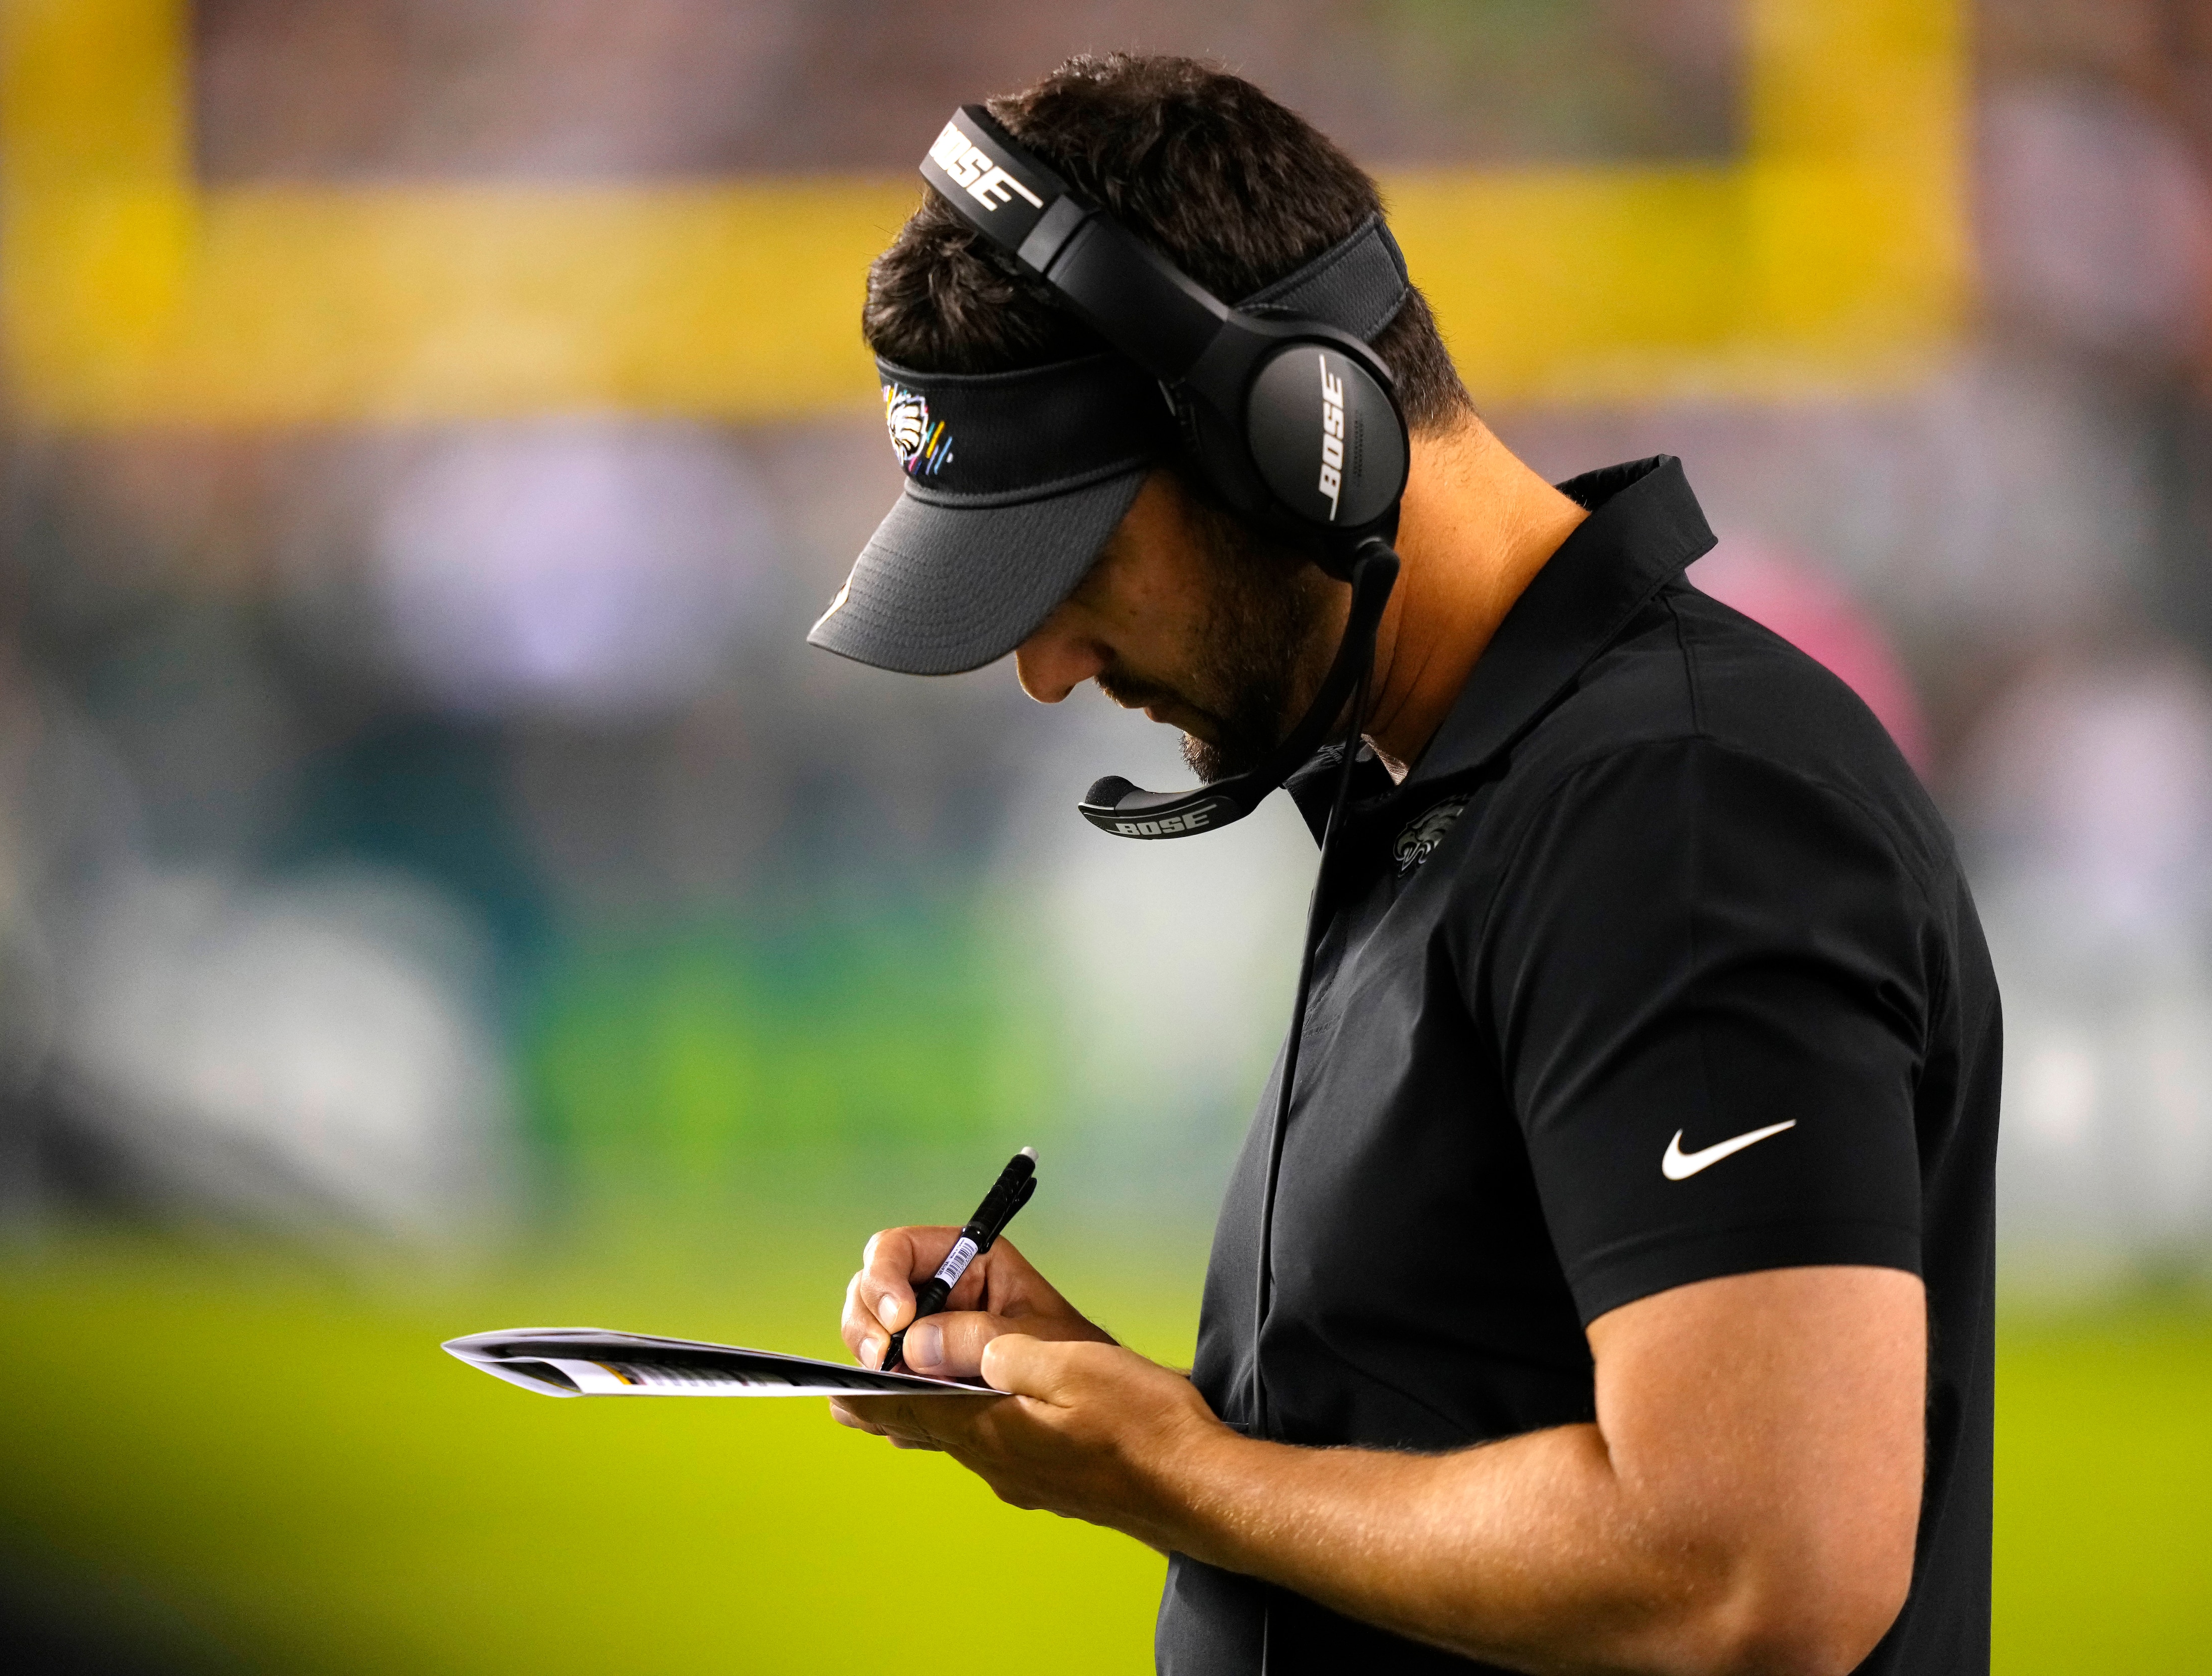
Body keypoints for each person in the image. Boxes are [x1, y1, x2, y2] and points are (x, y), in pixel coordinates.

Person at [811, 55, 1998, 1676]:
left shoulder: (1678, 805)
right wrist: (1133, 1416)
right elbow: (1446, 1428)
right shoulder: (1462, 788)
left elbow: (1756, 1568)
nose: (1045, 665)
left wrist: (1190, 1472)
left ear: (1301, 437)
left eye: (1073, 558)